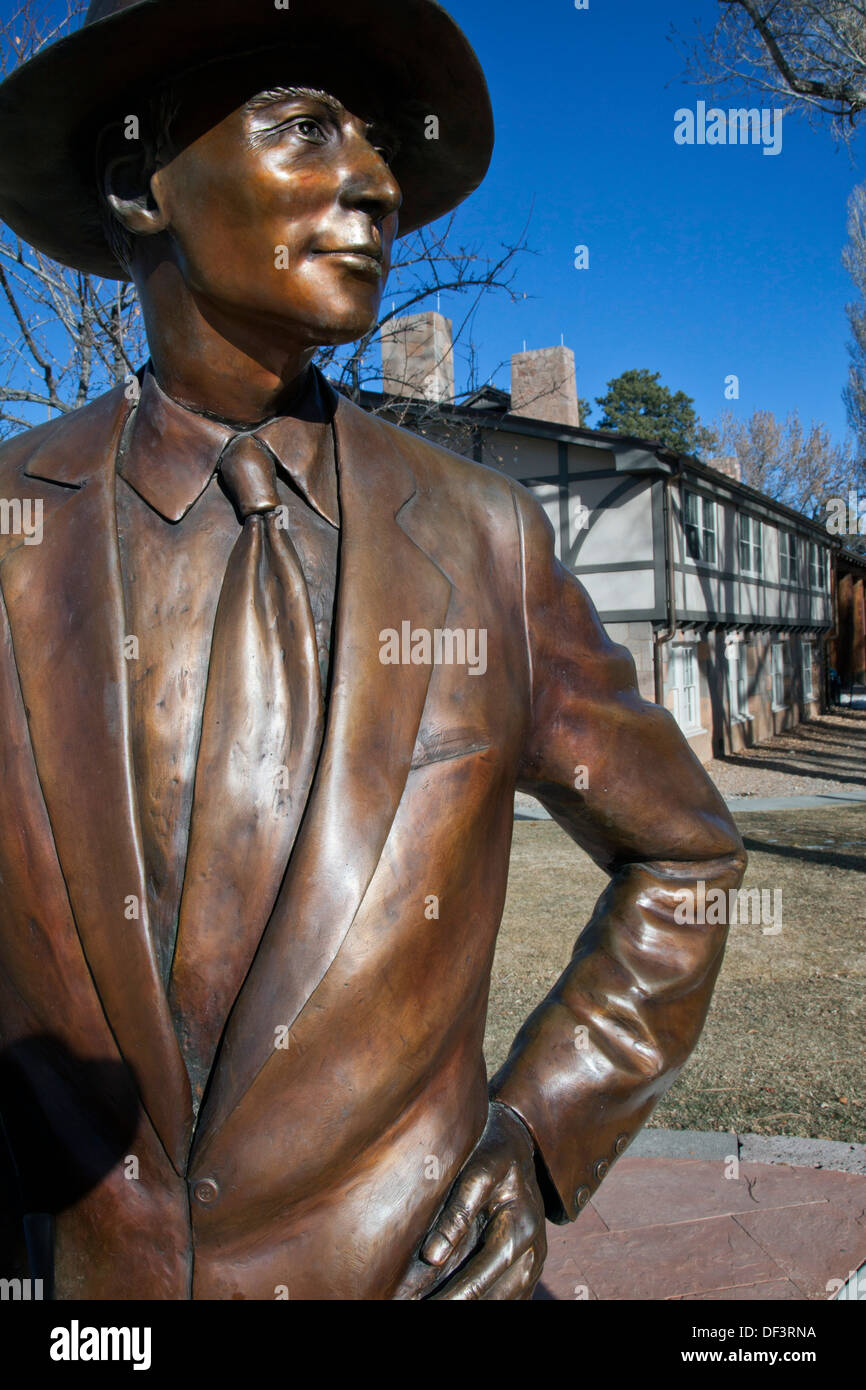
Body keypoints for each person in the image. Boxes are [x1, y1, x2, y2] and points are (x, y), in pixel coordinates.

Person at [0, 0, 745, 1300]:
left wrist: (539, 1129)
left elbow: (683, 851)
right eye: (306, 128)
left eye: (384, 148)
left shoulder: (482, 543)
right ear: (138, 185)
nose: (378, 184)